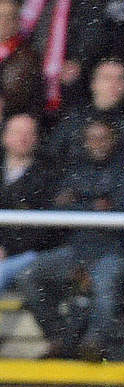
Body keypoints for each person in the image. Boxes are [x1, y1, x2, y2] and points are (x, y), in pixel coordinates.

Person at [21, 117, 124, 361]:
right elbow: (57, 210)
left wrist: (79, 202)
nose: (97, 143)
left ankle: (94, 343)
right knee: (30, 275)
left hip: (116, 251)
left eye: (103, 138)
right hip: (77, 249)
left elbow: (123, 208)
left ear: (114, 141)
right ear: (84, 142)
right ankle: (59, 338)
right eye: (92, 138)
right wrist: (94, 204)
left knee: (105, 281)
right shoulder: (75, 169)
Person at [0, 113, 56, 292]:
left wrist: (7, 250)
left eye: (29, 133)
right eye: (17, 132)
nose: (23, 138)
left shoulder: (48, 176)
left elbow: (44, 230)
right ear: (4, 136)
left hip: (28, 254)